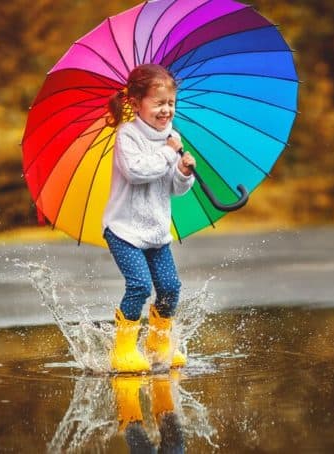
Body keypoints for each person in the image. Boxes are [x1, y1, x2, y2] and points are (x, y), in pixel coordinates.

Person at [104, 64, 196, 373]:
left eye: (171, 102)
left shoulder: (172, 136)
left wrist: (183, 173)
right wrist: (171, 154)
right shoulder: (127, 136)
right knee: (140, 285)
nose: (166, 109)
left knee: (170, 287)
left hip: (156, 230)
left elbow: (173, 187)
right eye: (158, 103)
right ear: (135, 103)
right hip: (124, 230)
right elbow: (138, 172)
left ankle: (158, 344)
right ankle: (124, 349)